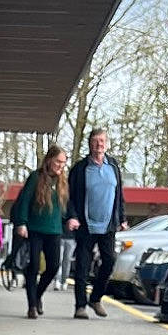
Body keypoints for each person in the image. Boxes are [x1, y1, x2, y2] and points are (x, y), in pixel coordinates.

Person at [66, 126, 125, 320]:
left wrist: (122, 218)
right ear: (89, 143)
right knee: (83, 265)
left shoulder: (114, 166)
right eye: (95, 141)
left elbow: (119, 196)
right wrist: (72, 216)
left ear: (106, 143)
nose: (99, 144)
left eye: (102, 141)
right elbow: (70, 197)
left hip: (108, 225)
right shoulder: (80, 168)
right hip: (85, 225)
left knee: (109, 261)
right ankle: (80, 306)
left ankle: (96, 298)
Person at [12, 147, 69, 319]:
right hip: (35, 229)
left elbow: (67, 206)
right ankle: (31, 306)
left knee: (53, 266)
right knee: (34, 266)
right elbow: (24, 201)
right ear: (49, 160)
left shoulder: (63, 182)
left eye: (63, 163)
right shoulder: (36, 177)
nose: (60, 166)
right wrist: (21, 223)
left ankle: (37, 295)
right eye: (58, 161)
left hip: (54, 230)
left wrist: (71, 219)